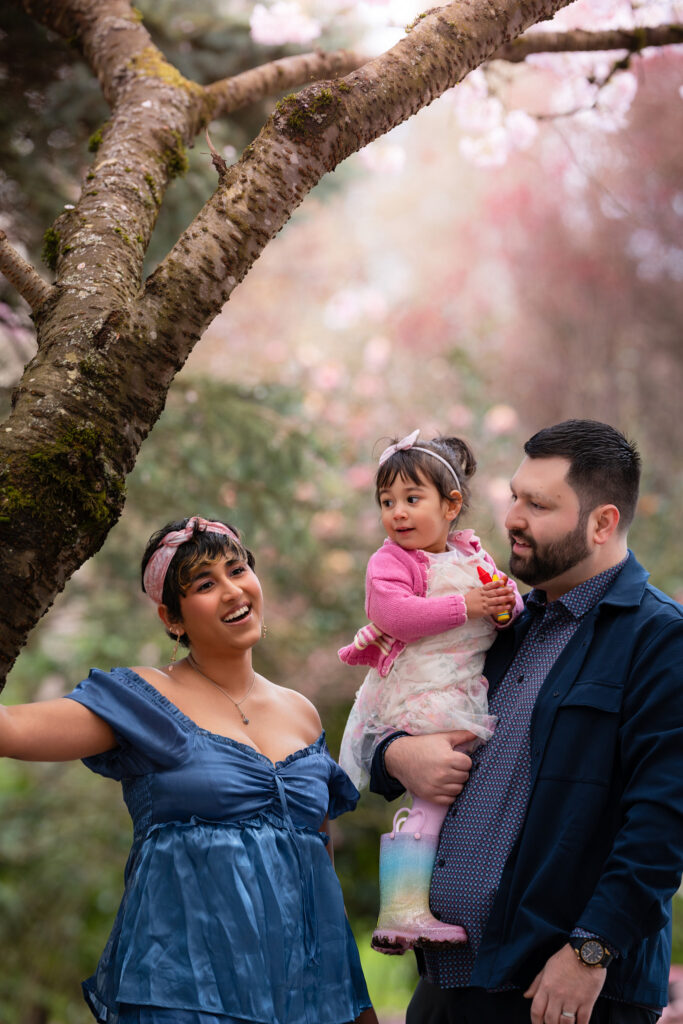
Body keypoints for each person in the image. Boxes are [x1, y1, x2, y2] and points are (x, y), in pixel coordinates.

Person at [0, 515, 377, 1024]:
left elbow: (319, 859)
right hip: (185, 990)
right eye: (204, 584)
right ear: (171, 618)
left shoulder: (302, 713)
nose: (231, 591)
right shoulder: (144, 698)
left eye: (237, 570)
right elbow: (11, 730)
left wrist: (355, 1004)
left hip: (306, 995)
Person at [369, 419, 683, 1024]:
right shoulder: (496, 621)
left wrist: (591, 951)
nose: (512, 516)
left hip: (560, 994)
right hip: (445, 987)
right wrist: (394, 755)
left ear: (603, 522)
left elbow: (664, 821)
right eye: (514, 495)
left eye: (538, 504)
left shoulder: (660, 638)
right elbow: (405, 702)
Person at [337, 430, 521, 953]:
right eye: (386, 501)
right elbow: (393, 615)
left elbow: (507, 606)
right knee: (436, 789)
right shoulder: (390, 562)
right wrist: (469, 605)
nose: (397, 512)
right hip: (419, 691)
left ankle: (409, 909)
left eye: (412, 499)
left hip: (457, 687)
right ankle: (401, 909)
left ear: (452, 505)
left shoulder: (471, 553)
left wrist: (505, 605)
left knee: (438, 798)